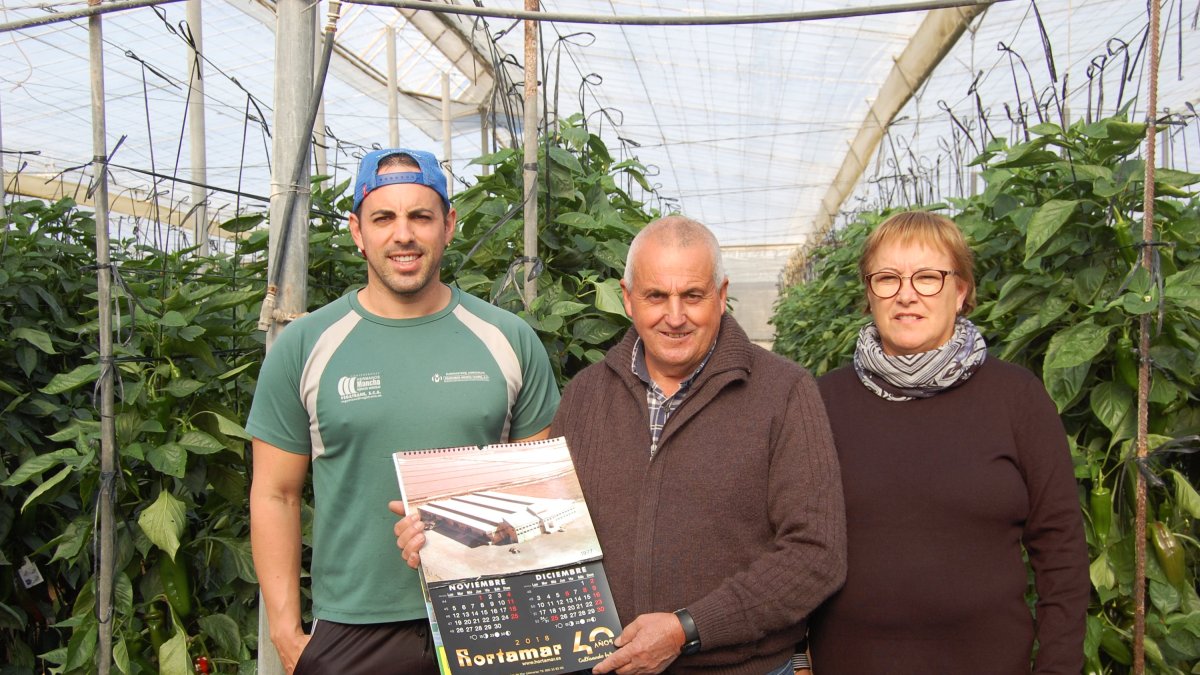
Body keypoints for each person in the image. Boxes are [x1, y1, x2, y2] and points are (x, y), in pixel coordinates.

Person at [397, 215, 847, 675]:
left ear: (721, 295)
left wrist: (688, 629)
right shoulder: (588, 394)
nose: (674, 316)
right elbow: (545, 528)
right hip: (606, 666)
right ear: (628, 298)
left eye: (692, 295)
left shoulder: (783, 392)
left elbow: (815, 555)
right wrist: (442, 543)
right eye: (656, 296)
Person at [247, 148, 560, 675]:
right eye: (384, 218)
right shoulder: (306, 345)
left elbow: (538, 485)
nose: (403, 235)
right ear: (356, 231)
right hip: (354, 625)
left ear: (448, 225)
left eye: (420, 216)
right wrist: (286, 631)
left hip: (488, 613)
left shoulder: (508, 340)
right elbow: (275, 493)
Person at [807, 211, 1090, 673]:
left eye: (928, 278)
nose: (906, 294)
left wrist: (1058, 667)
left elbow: (1060, 549)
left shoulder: (1016, 398)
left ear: (960, 292)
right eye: (887, 279)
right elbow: (791, 540)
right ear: (868, 293)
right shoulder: (823, 400)